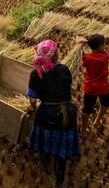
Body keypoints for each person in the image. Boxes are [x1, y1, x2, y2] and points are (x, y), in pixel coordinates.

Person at [26, 39, 80, 188]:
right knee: (61, 147)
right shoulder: (64, 69)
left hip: (47, 113)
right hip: (66, 113)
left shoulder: (35, 74)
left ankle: (45, 162)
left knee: (44, 141)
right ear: (56, 54)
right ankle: (59, 179)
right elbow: (67, 91)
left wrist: (31, 108)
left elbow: (33, 99)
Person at [77, 34, 109, 133]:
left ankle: (83, 129)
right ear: (100, 46)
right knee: (105, 103)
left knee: (86, 109)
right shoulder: (105, 56)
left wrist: (83, 45)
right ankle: (97, 120)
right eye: (104, 44)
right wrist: (88, 44)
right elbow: (101, 53)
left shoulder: (87, 58)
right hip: (103, 87)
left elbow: (83, 60)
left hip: (90, 88)